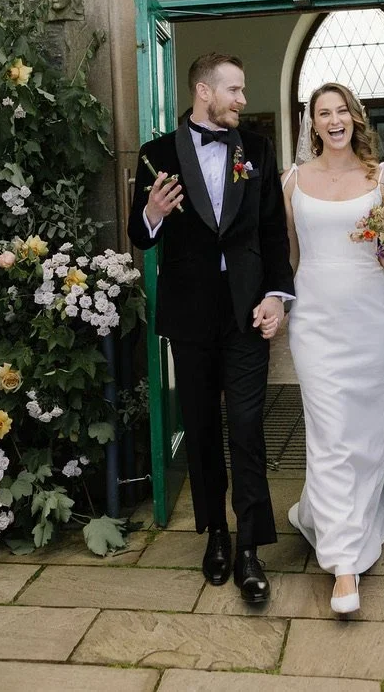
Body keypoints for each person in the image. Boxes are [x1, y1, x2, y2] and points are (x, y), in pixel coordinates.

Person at [128, 53, 294, 603]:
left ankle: (250, 546)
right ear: (204, 90)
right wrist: (151, 212)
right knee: (200, 429)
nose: (243, 100)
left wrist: (276, 296)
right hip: (190, 316)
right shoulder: (155, 156)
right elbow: (141, 236)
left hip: (246, 313)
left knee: (246, 428)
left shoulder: (260, 151)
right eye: (235, 91)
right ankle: (215, 535)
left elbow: (272, 233)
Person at [282, 82, 384, 614]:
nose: (334, 120)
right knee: (328, 434)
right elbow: (290, 260)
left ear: (355, 116)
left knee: (365, 431)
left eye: (341, 110)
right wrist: (275, 304)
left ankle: (333, 506)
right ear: (313, 125)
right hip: (316, 322)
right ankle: (344, 567)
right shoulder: (293, 182)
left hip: (371, 321)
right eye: (323, 113)